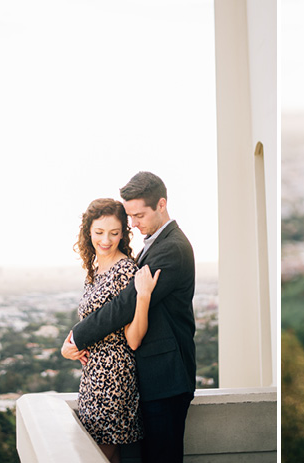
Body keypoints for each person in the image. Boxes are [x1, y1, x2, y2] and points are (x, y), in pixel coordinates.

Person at [62, 172, 196, 463]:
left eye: (138, 215)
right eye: (130, 216)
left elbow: (126, 304)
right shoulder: (155, 242)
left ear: (162, 204)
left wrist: (77, 337)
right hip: (150, 374)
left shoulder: (172, 248)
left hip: (167, 375)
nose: (133, 223)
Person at [60, 197, 158, 463]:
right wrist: (73, 345)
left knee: (104, 454)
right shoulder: (94, 271)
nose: (106, 240)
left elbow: (134, 339)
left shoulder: (126, 270)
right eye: (99, 232)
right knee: (98, 453)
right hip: (92, 377)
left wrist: (144, 297)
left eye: (114, 233)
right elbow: (91, 324)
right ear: (88, 232)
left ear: (123, 233)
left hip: (114, 377)